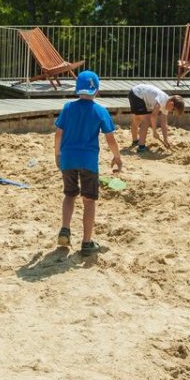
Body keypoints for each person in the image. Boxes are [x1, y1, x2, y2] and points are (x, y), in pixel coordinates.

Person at [54, 70, 122, 257]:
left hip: (68, 159)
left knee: (69, 195)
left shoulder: (67, 108)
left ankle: (65, 229)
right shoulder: (100, 111)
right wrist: (117, 157)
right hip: (88, 161)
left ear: (77, 89)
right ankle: (86, 242)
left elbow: (58, 133)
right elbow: (110, 139)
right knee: (89, 200)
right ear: (97, 90)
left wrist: (57, 154)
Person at [127, 83, 184, 153]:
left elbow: (164, 124)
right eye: (173, 110)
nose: (171, 112)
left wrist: (165, 140)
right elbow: (153, 116)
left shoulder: (166, 105)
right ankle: (141, 147)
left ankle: (135, 141)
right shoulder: (162, 98)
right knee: (146, 120)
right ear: (171, 104)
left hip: (136, 94)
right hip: (137, 94)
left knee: (137, 118)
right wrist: (154, 131)